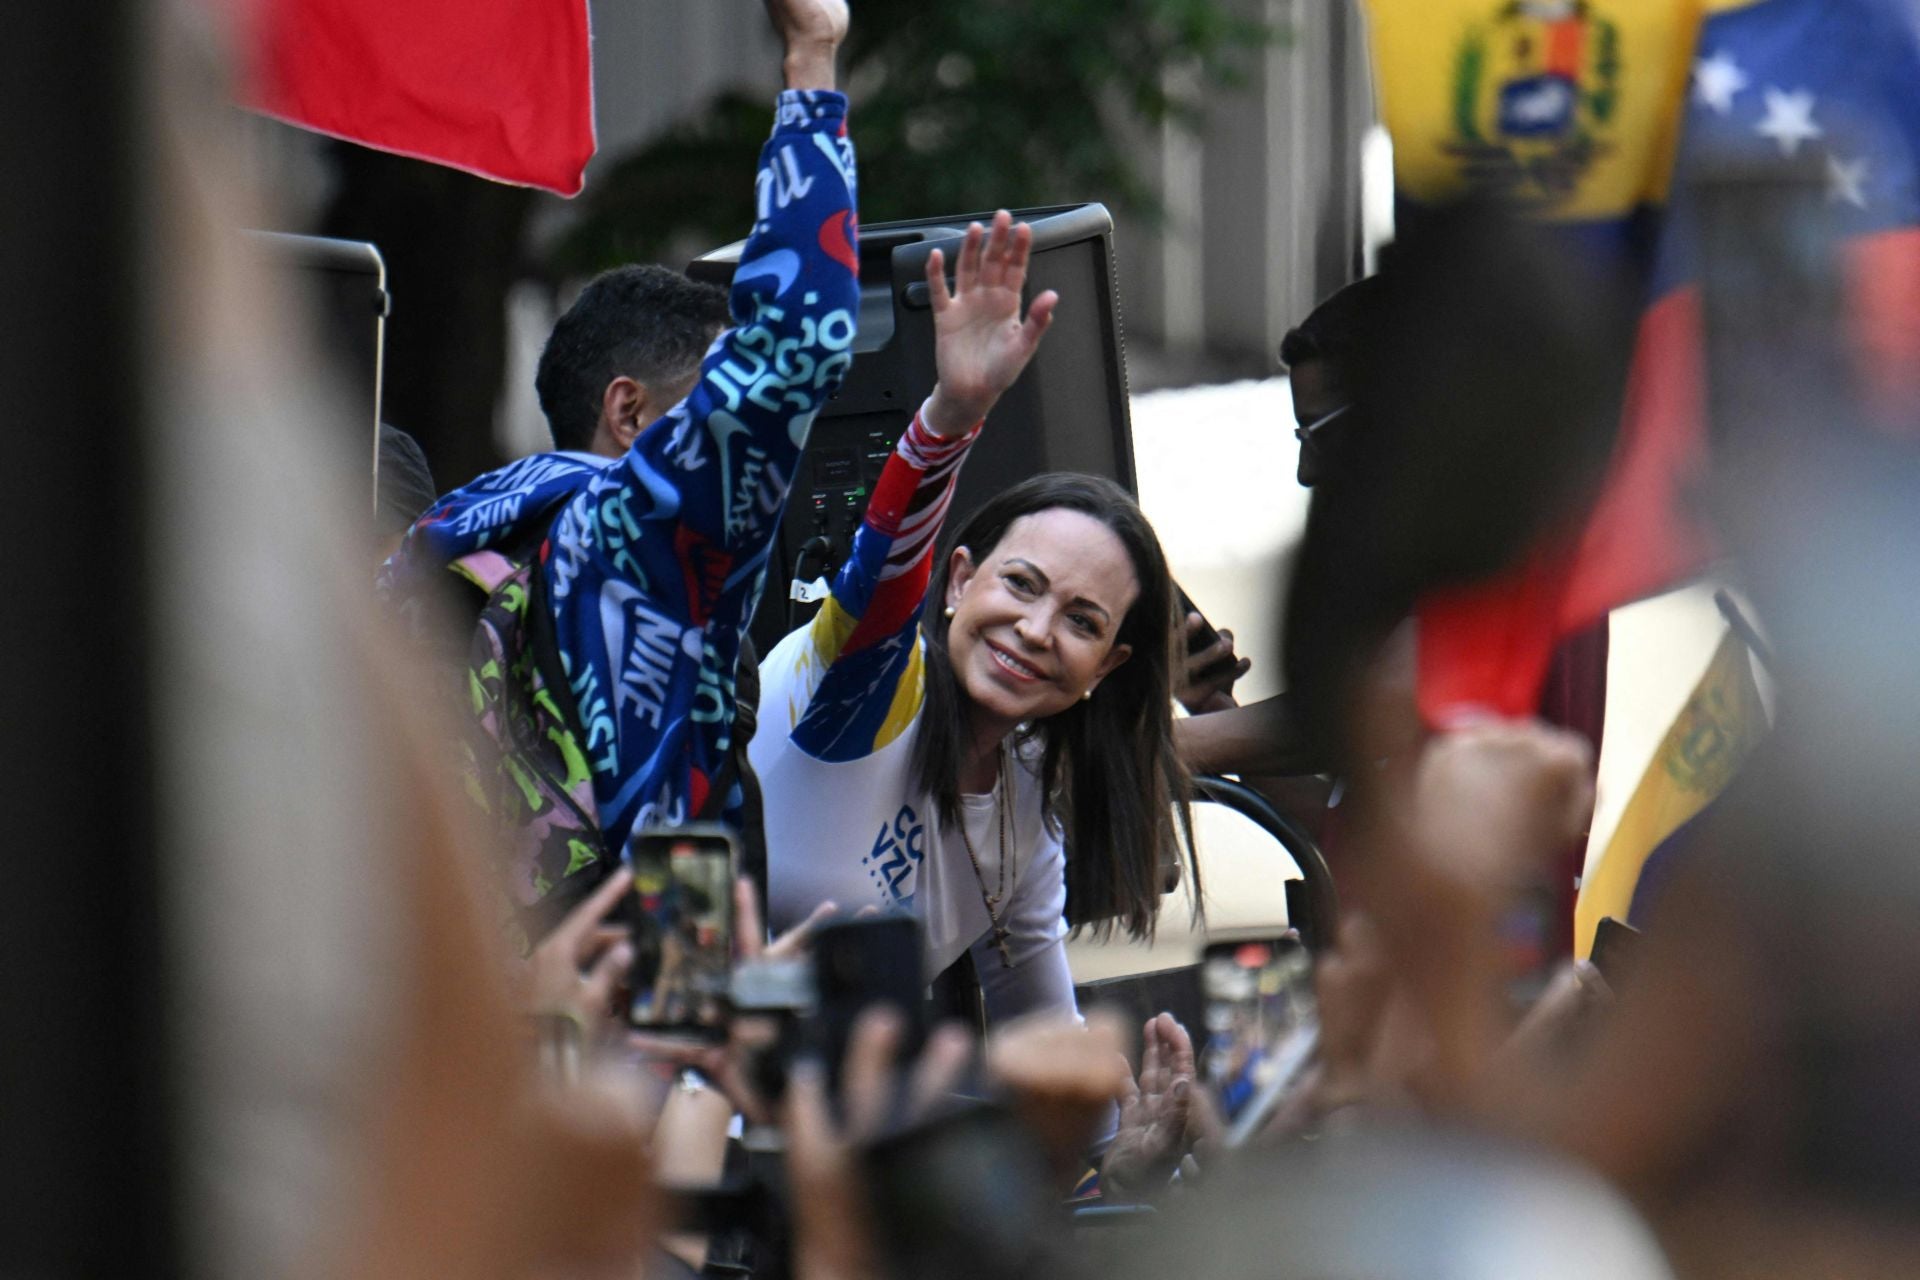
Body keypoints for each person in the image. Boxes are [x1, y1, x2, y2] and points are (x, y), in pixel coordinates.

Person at [379, 0, 859, 928]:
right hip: (612, 1024)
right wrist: (812, 56)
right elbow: (798, 343)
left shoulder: (446, 540)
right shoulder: (626, 535)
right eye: (706, 402)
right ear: (630, 411)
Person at [751, 210, 1194, 1022]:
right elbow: (880, 571)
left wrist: (1128, 1141)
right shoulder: (874, 685)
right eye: (1020, 585)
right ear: (959, 579)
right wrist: (950, 418)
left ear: (1109, 669)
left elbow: (1038, 1021)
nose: (1035, 630)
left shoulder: (1025, 798)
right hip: (701, 1113)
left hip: (849, 1120)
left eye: (1083, 622)